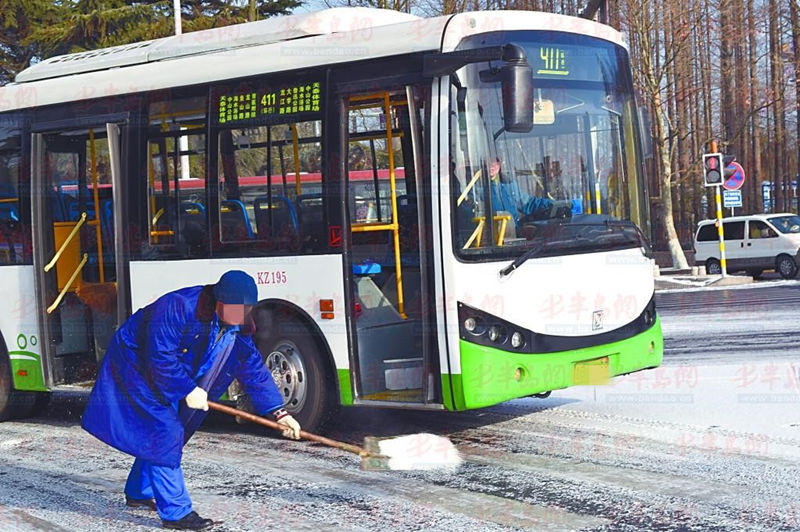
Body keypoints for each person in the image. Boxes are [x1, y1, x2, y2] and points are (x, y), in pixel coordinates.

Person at [82, 270, 301, 531]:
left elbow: (251, 366)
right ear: (217, 300)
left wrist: (279, 412)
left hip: (172, 373)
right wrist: (187, 389)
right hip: (135, 365)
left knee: (168, 433)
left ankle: (140, 492)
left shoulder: (238, 325)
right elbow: (160, 357)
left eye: (245, 309)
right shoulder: (178, 307)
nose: (238, 315)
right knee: (165, 430)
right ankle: (177, 513)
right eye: (232, 308)